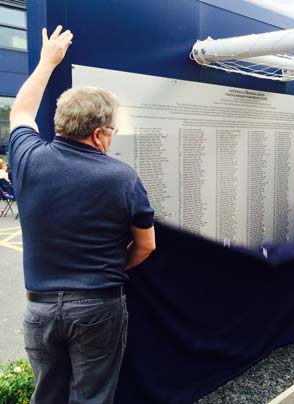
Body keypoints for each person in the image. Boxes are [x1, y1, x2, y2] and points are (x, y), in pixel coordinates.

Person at [9, 26, 156, 403]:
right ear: (97, 134)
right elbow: (146, 246)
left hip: (39, 309)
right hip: (97, 307)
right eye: (112, 130)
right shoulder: (123, 177)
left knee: (47, 395)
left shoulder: (28, 159)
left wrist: (47, 61)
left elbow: (21, 110)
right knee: (91, 396)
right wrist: (109, 268)